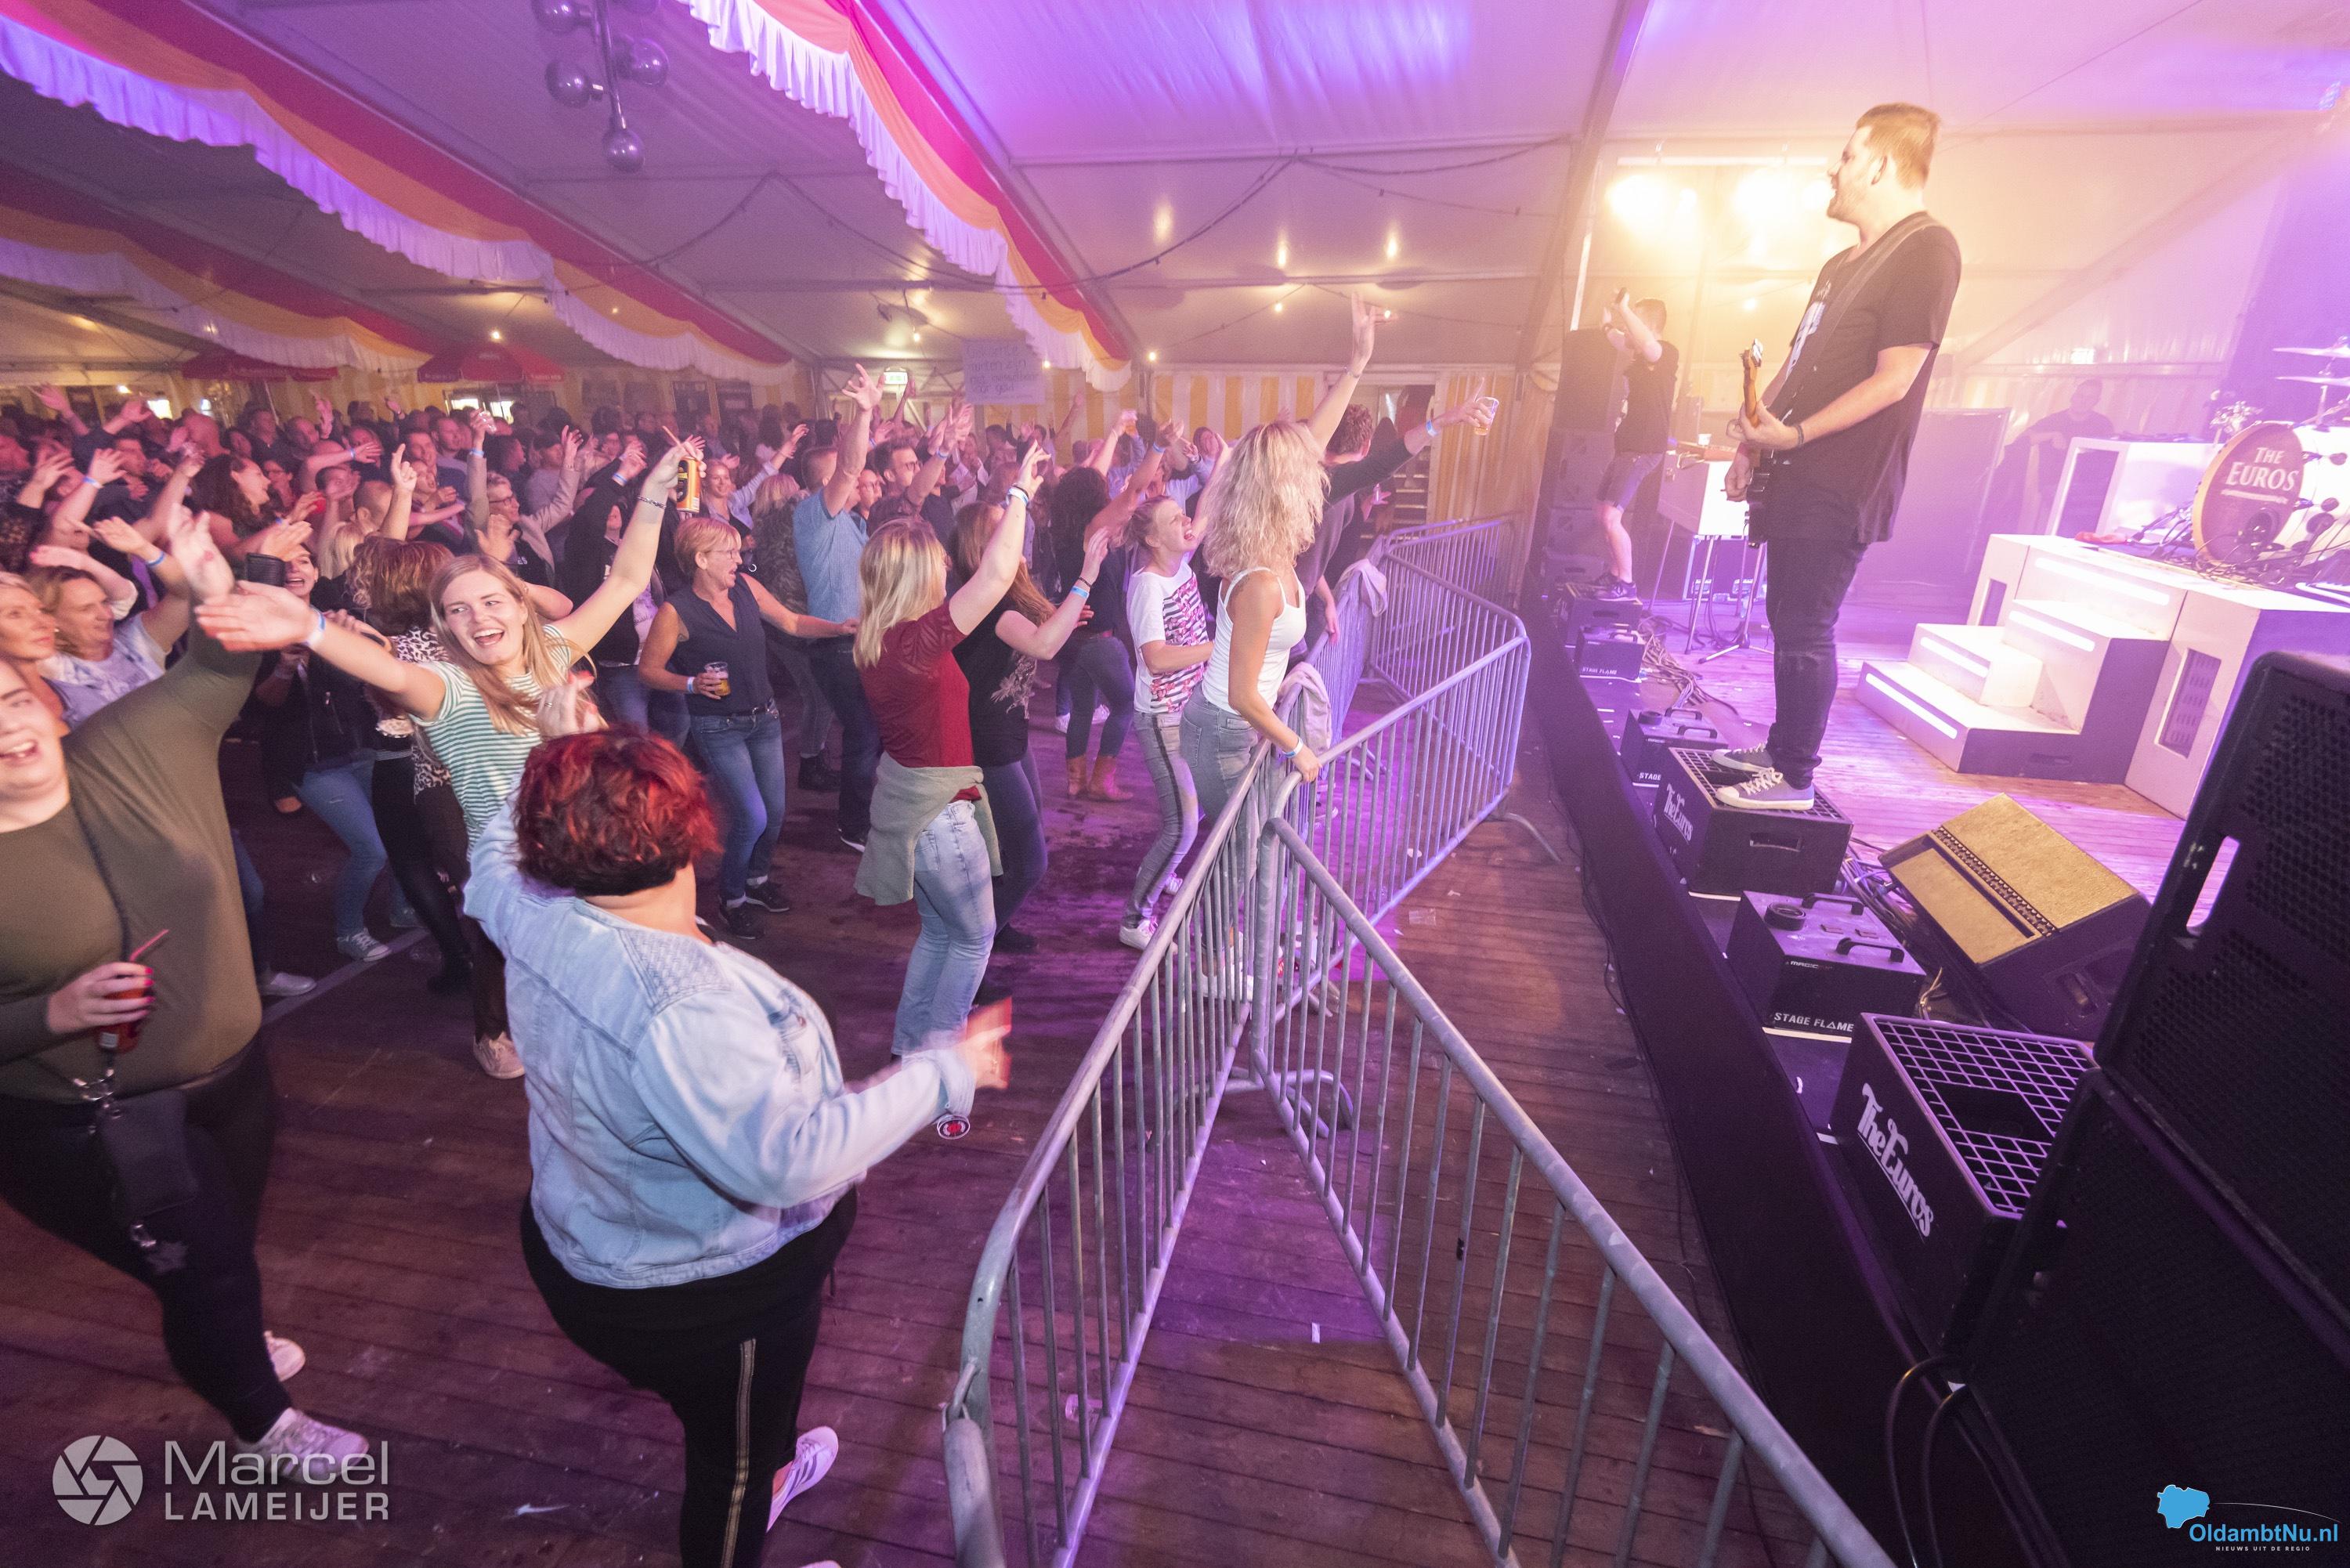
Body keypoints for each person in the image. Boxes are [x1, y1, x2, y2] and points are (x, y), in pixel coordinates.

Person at [472, 723, 1006, 1568]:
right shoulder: (682, 1004)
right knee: (732, 1471)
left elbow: (490, 849)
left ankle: (774, 1467)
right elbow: (785, 1161)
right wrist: (946, 1071)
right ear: (693, 829)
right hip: (706, 1301)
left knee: (754, 1436)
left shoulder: (526, 907)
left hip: (593, 1247)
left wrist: (557, 755)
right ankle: (759, 1486)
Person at [0, 508, 366, 1469]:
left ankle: (225, 1326)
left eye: (8, 699)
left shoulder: (134, 745)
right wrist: (50, 1013)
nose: (3, 727)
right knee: (207, 1271)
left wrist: (224, 580)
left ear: (41, 695)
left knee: (219, 1250)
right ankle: (262, 1423)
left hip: (235, 1077)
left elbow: (217, 662)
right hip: (86, 1121)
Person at [194, 438, 700, 1078]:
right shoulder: (447, 686)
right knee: (562, 1002)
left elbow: (626, 579)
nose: (479, 619)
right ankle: (522, 1048)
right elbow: (387, 671)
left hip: (589, 849)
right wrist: (309, 628)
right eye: (459, 611)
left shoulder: (554, 648)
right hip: (522, 875)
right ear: (444, 626)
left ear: (519, 604)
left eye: (491, 602)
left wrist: (652, 491)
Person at [1724, 102, 1963, 811]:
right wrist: (1752, 441)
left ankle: (1795, 778)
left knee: (1806, 626)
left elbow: (1896, 379)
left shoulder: (1927, 249)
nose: (1835, 168)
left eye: (1849, 155)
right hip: (1797, 472)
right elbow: (1799, 362)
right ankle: (1780, 750)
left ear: (1883, 165)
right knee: (1786, 618)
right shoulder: (1840, 265)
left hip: (1842, 480)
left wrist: (1795, 437)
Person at [854, 443, 1044, 1051]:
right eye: (937, 564)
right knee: (972, 940)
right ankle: (940, 1061)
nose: (944, 572)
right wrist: (1020, 494)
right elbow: (995, 576)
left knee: (940, 936)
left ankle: (910, 1047)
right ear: (916, 576)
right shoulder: (916, 641)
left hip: (916, 807)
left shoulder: (880, 636)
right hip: (941, 816)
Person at [637, 518, 851, 938]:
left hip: (764, 719)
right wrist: (691, 683)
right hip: (719, 727)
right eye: (729, 552)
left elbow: (791, 623)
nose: (739, 559)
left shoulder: (747, 590)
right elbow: (648, 671)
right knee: (752, 816)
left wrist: (838, 628)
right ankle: (731, 897)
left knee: (775, 813)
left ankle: (757, 880)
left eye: (738, 550)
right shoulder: (676, 611)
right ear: (701, 559)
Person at [946, 498, 1108, 955]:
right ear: (984, 547)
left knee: (1013, 842)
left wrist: (1064, 613)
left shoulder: (1003, 599)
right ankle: (969, 951)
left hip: (1011, 733)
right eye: (1007, 530)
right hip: (988, 745)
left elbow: (1041, 633)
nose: (1019, 538)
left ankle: (993, 925)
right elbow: (1044, 646)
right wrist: (1085, 580)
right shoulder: (989, 606)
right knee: (1030, 861)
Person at [345, 536, 472, 995]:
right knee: (470, 865)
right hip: (460, 764)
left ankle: (460, 960)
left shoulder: (386, 647)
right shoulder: (468, 638)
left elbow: (390, 705)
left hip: (403, 764)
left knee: (413, 864)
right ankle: (495, 954)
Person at [794, 366, 888, 851]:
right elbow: (851, 468)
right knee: (865, 732)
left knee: (876, 730)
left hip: (859, 641)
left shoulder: (850, 522)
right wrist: (864, 413)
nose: (857, 479)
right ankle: (854, 826)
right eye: (845, 476)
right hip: (835, 646)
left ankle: (873, 813)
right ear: (826, 481)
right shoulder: (815, 515)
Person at [1120, 494, 1213, 950]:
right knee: (1183, 825)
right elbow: (1154, 658)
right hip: (1163, 719)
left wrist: (1226, 465)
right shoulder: (1148, 587)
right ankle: (1134, 920)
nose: (1186, 521)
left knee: (1197, 807)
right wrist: (1217, 648)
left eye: (1184, 515)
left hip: (1189, 712)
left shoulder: (1182, 566)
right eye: (1175, 519)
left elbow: (1207, 509)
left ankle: (1164, 869)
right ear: (1154, 539)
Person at [1050, 435, 1159, 800]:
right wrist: (1157, 448)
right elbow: (1134, 493)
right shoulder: (1092, 531)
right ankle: (1101, 781)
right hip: (1099, 641)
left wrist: (1113, 434)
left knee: (1082, 710)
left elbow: (1090, 481)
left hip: (1076, 640)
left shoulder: (1069, 532)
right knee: (1127, 704)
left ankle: (1075, 780)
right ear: (1093, 498)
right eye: (1102, 487)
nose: (1109, 489)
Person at [1595, 293, 1679, 598]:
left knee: (1610, 517)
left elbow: (1648, 345)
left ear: (1648, 324)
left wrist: (1623, 308)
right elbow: (1619, 339)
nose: (1627, 327)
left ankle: (1627, 583)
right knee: (1601, 512)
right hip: (1627, 449)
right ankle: (1616, 573)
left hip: (1643, 449)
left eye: (1633, 320)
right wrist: (1607, 324)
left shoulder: (1666, 353)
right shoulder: (1638, 353)